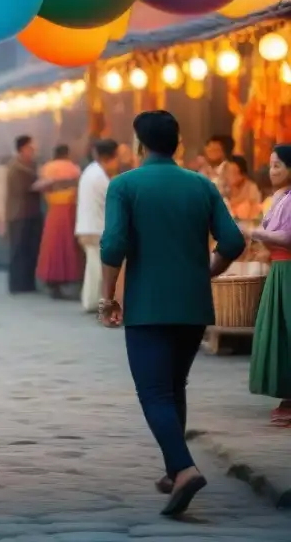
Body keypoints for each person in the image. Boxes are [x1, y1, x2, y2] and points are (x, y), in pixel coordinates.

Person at [99, 110, 244, 516]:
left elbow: (112, 246)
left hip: (148, 306)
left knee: (154, 391)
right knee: (175, 383)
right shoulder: (201, 185)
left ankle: (183, 469)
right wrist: (206, 272)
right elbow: (232, 241)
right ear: (178, 144)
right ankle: (171, 468)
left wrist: (108, 298)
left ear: (139, 144)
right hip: (193, 304)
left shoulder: (124, 185)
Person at [249, 145, 291, 426]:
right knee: (279, 332)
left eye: (278, 165)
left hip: (288, 267)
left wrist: (250, 231)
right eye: (271, 165)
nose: (272, 170)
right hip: (279, 269)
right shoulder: (279, 197)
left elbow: (286, 238)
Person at [75, 139, 119, 313]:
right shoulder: (99, 176)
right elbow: (112, 199)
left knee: (93, 267)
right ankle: (94, 302)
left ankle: (91, 301)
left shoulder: (91, 171)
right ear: (110, 157)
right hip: (95, 228)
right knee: (97, 268)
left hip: (87, 226)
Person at [35, 144, 84, 298]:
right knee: (69, 246)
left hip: (54, 210)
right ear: (67, 154)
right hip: (70, 209)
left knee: (53, 246)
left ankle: (52, 280)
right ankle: (71, 280)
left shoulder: (47, 168)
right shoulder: (74, 168)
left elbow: (42, 187)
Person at [6, 135, 42, 294]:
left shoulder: (31, 165)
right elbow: (25, 188)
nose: (33, 151)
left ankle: (28, 283)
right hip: (18, 214)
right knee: (18, 249)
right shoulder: (15, 167)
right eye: (30, 148)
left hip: (32, 212)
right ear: (22, 149)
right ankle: (17, 284)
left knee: (31, 249)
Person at [224, 155, 262, 220]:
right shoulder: (225, 189)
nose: (228, 175)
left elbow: (256, 212)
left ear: (243, 175)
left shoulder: (252, 188)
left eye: (233, 172)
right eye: (227, 171)